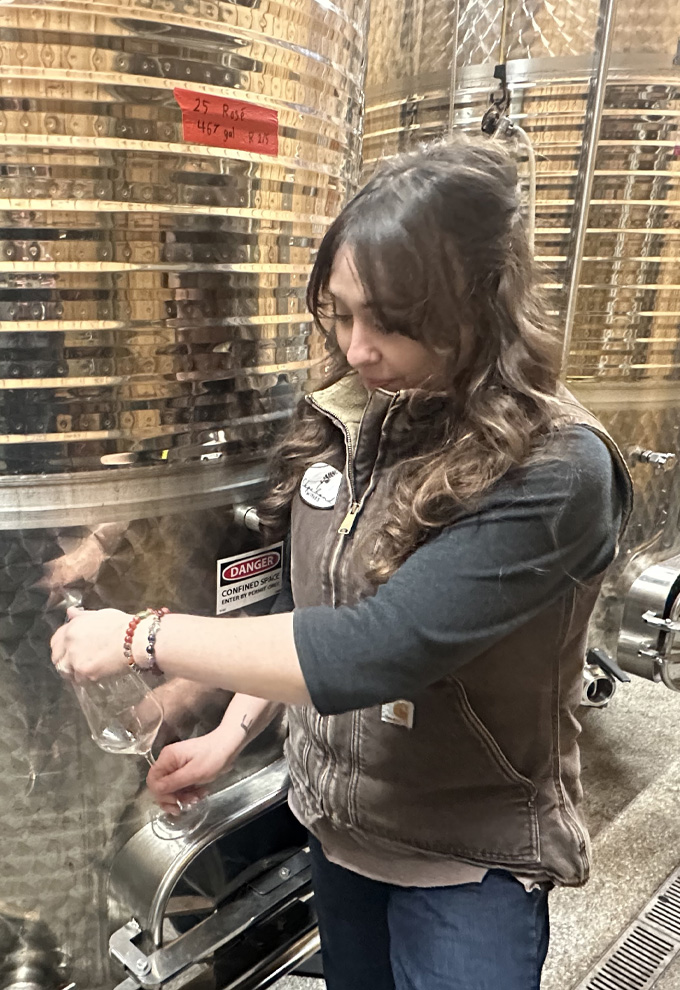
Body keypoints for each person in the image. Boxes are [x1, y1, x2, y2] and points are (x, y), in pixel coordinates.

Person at [51, 136, 632, 990]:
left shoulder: (556, 466)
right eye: (341, 312)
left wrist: (143, 635)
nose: (358, 349)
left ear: (483, 301)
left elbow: (372, 649)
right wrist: (227, 735)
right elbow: (309, 612)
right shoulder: (354, 419)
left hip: (466, 866)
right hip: (338, 835)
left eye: (392, 322)